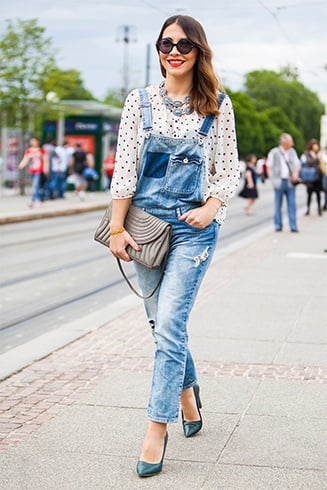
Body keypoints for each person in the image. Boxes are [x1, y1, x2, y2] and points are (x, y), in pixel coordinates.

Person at [109, 14, 240, 477]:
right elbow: (124, 169)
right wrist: (117, 229)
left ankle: (155, 430)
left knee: (169, 323)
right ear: (158, 50)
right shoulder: (139, 102)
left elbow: (229, 170)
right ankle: (187, 394)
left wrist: (211, 206)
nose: (174, 51)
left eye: (184, 44)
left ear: (198, 50)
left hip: (193, 230)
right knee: (158, 324)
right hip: (145, 226)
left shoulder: (217, 106)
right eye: (166, 43)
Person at [266, 133, 301, 232]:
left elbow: (297, 165)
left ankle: (293, 225)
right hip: (279, 181)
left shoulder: (292, 152)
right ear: (284, 142)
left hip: (290, 181)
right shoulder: (274, 152)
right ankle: (278, 225)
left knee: (292, 204)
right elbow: (269, 166)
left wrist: (295, 174)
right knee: (278, 205)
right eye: (291, 141)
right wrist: (272, 180)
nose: (292, 144)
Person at [18, 136, 48, 207]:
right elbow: (25, 159)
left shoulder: (41, 150)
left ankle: (32, 200)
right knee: (38, 187)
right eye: (32, 141)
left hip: (39, 170)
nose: (33, 142)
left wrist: (45, 169)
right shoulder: (28, 150)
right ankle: (41, 200)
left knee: (35, 186)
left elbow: (45, 160)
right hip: (32, 171)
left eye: (34, 141)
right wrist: (21, 165)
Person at [300, 139, 324, 216]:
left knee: (318, 193)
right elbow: (305, 163)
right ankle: (308, 209)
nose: (316, 147)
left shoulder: (318, 154)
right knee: (309, 194)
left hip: (317, 176)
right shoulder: (307, 154)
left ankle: (319, 209)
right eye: (314, 145)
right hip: (310, 177)